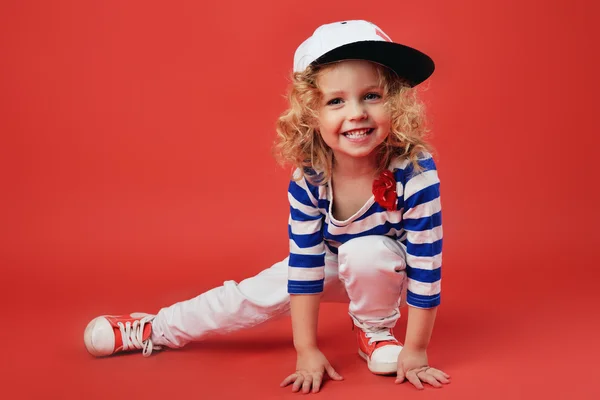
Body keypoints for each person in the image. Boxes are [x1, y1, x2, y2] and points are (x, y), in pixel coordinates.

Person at [84, 20, 450, 393]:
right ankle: (156, 328)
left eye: (371, 95)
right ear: (311, 114)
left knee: (366, 250)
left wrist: (416, 349)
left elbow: (425, 263)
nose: (356, 113)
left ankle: (374, 329)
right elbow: (306, 264)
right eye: (336, 101)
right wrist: (305, 349)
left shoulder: (415, 171)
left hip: (385, 270)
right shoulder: (310, 177)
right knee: (253, 294)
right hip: (329, 260)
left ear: (396, 102)